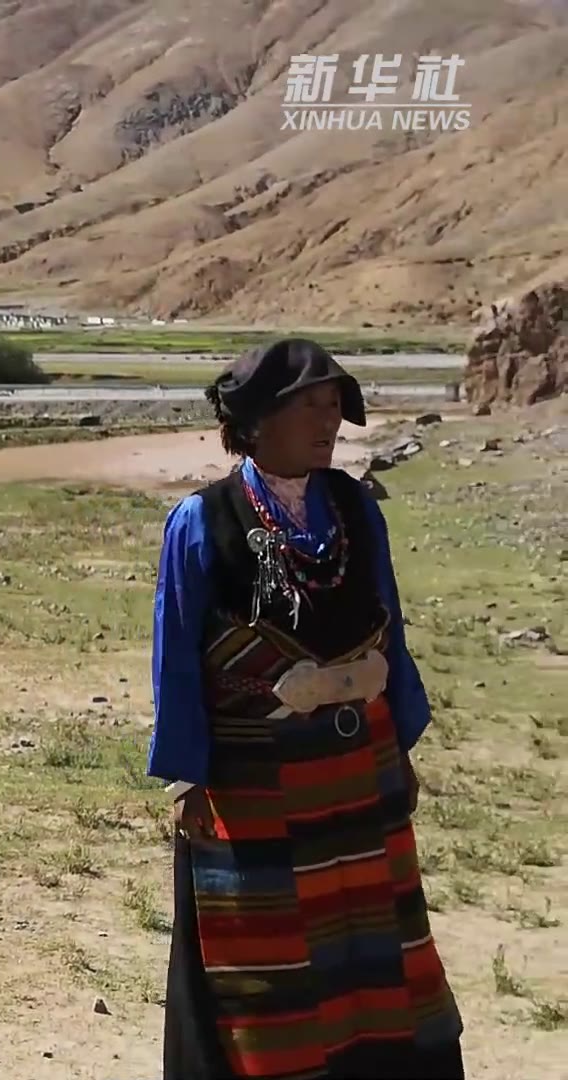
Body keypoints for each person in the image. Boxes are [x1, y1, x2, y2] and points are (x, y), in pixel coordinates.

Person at [149, 338, 463, 1080]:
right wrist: (187, 775)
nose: (329, 423)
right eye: (310, 407)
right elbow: (178, 652)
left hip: (359, 764)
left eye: (335, 406)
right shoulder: (201, 521)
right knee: (267, 951)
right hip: (255, 776)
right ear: (258, 423)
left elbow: (390, 617)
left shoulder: (355, 507)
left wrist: (403, 746)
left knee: (372, 937)